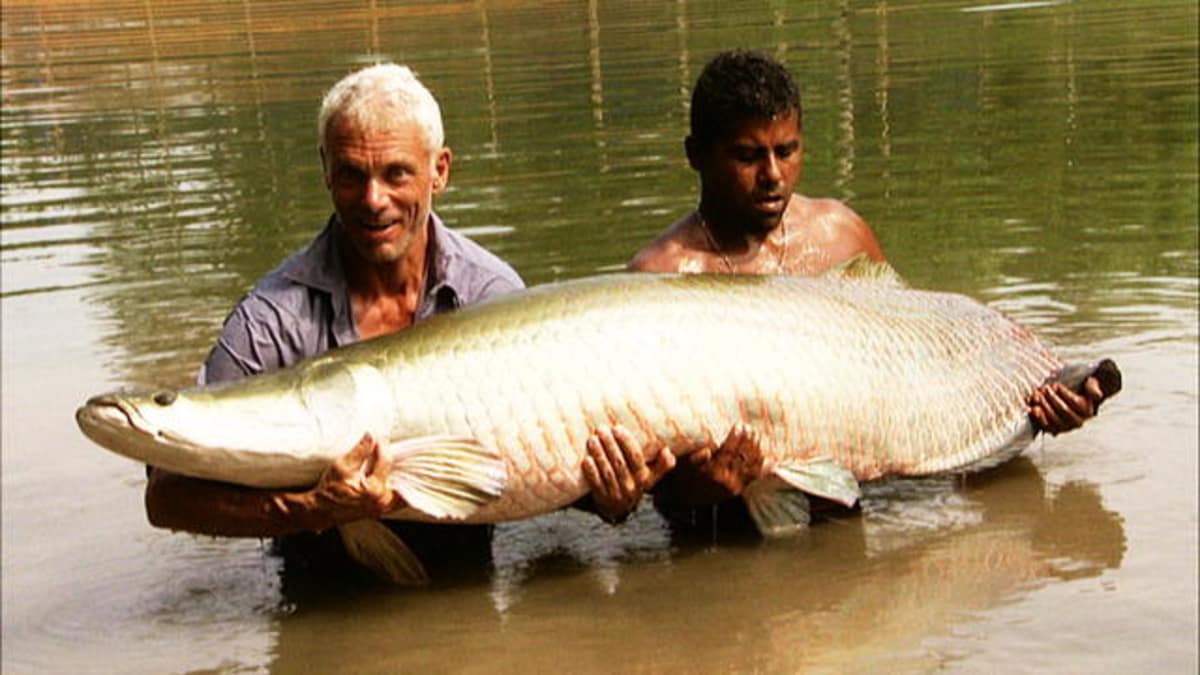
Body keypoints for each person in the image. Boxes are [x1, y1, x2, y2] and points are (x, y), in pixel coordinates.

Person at [144, 63, 670, 584]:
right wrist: (309, 509)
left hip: (465, 579)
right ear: (326, 169)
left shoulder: (490, 293)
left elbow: (534, 462)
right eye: (352, 174)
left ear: (438, 171)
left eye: (396, 173)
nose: (374, 200)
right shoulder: (272, 318)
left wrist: (610, 499)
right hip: (318, 590)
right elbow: (166, 497)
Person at [589, 49, 1109, 530]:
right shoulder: (661, 280)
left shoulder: (838, 234)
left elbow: (926, 362)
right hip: (727, 539)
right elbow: (655, 495)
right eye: (746, 156)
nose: (772, 175)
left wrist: (1039, 412)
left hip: (850, 514)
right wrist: (701, 491)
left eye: (786, 151)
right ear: (696, 155)